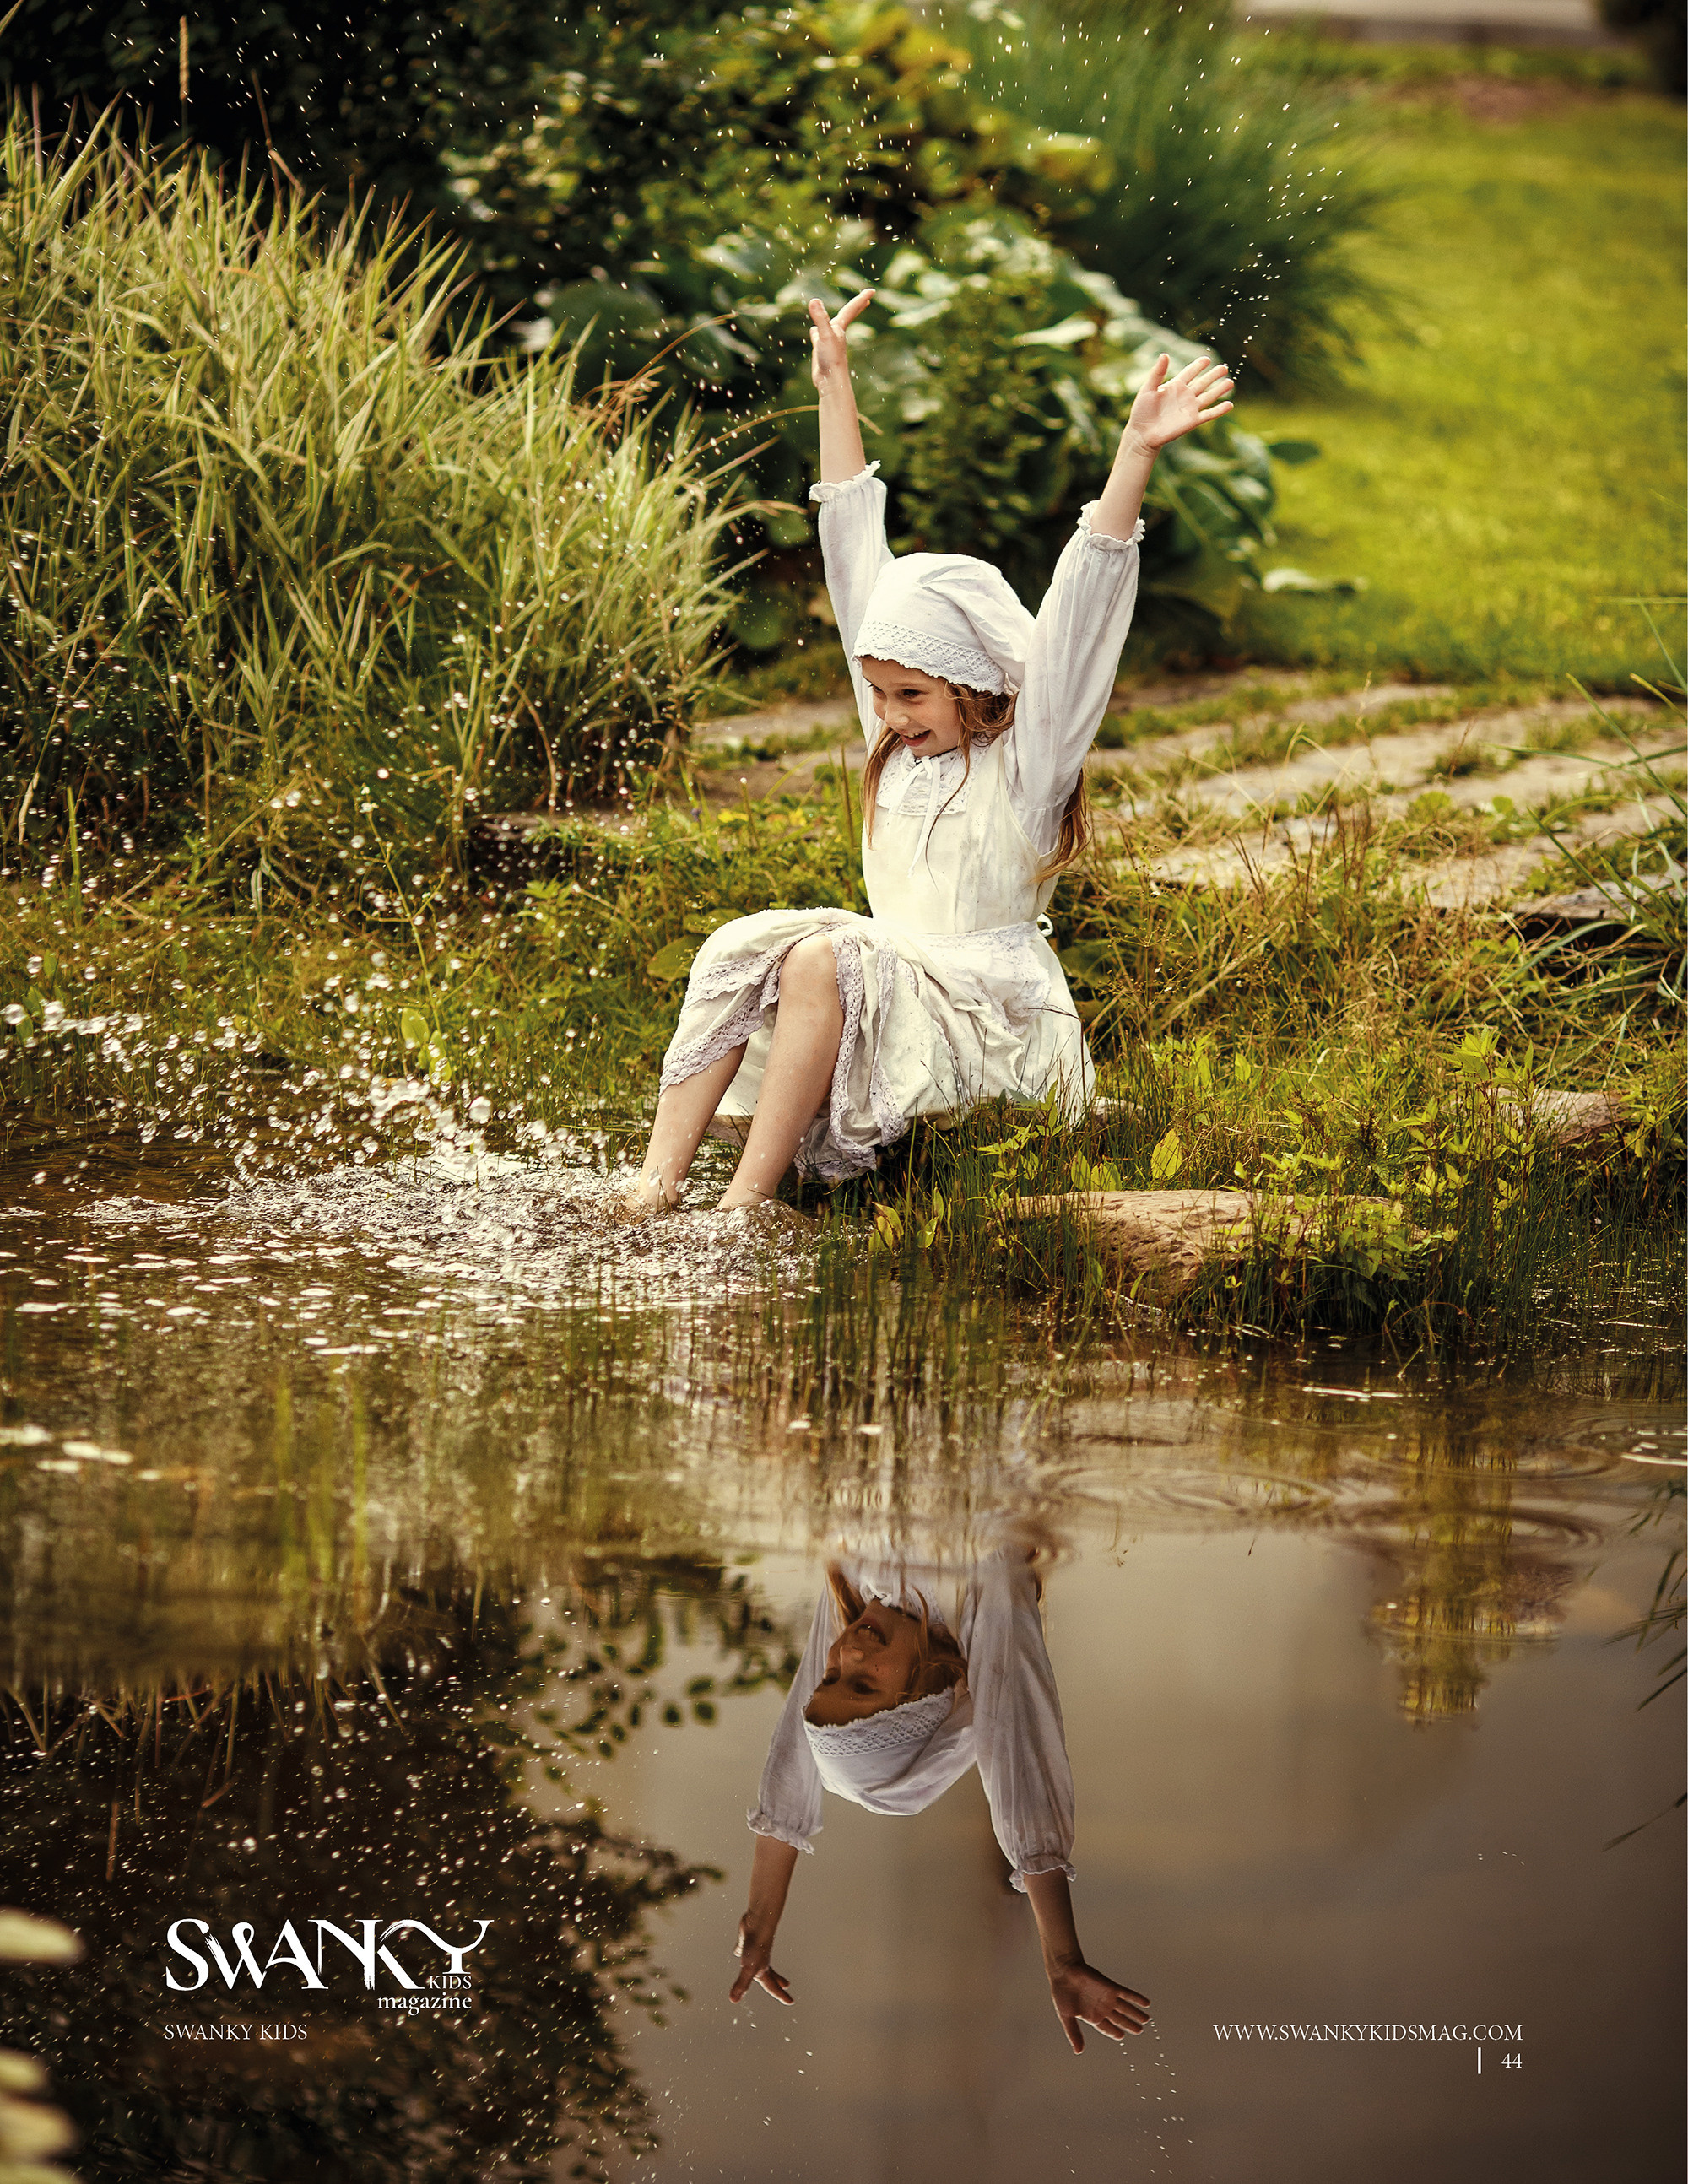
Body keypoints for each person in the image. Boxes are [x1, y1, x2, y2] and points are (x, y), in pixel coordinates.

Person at [624, 291, 1234, 1215]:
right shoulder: (899, 740)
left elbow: (1077, 621)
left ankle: (743, 1209)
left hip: (997, 1022)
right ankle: (650, 1188)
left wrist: (1132, 457)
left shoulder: (1028, 767)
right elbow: (852, 552)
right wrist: (834, 392)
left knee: (823, 956)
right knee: (756, 945)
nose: (888, 714)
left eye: (909, 696)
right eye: (877, 694)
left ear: (976, 684)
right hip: (894, 989)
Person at [728, 1545, 1150, 2053]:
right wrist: (1061, 1956)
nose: (848, 1656)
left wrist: (760, 1918)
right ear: (927, 1690)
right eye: (863, 1686)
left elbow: (795, 1752)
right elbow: (1018, 1754)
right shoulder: (982, 1601)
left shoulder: (860, 1594)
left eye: (831, 1677)